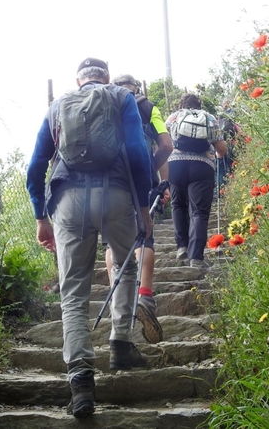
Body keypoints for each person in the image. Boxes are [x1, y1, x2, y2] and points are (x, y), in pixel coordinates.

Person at [26, 58, 154, 418]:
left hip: (69, 201)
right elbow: (137, 152)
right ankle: (120, 345)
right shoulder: (120, 98)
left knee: (73, 291)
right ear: (107, 78)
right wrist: (143, 207)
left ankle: (81, 380)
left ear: (78, 80)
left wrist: (40, 216)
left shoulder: (57, 107)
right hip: (115, 196)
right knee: (126, 268)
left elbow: (36, 165)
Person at [104, 73, 173, 344]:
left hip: (108, 181)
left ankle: (117, 296)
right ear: (136, 87)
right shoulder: (147, 106)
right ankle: (144, 296)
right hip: (139, 179)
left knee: (112, 242)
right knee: (144, 236)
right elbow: (167, 144)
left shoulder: (102, 103)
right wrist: (154, 173)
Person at [165, 93, 227, 269]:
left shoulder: (173, 117)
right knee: (199, 212)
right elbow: (221, 148)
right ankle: (196, 257)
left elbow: (163, 143)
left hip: (175, 165)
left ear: (180, 105)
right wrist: (215, 155)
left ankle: (182, 246)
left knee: (178, 205)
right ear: (199, 105)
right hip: (202, 166)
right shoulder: (209, 118)